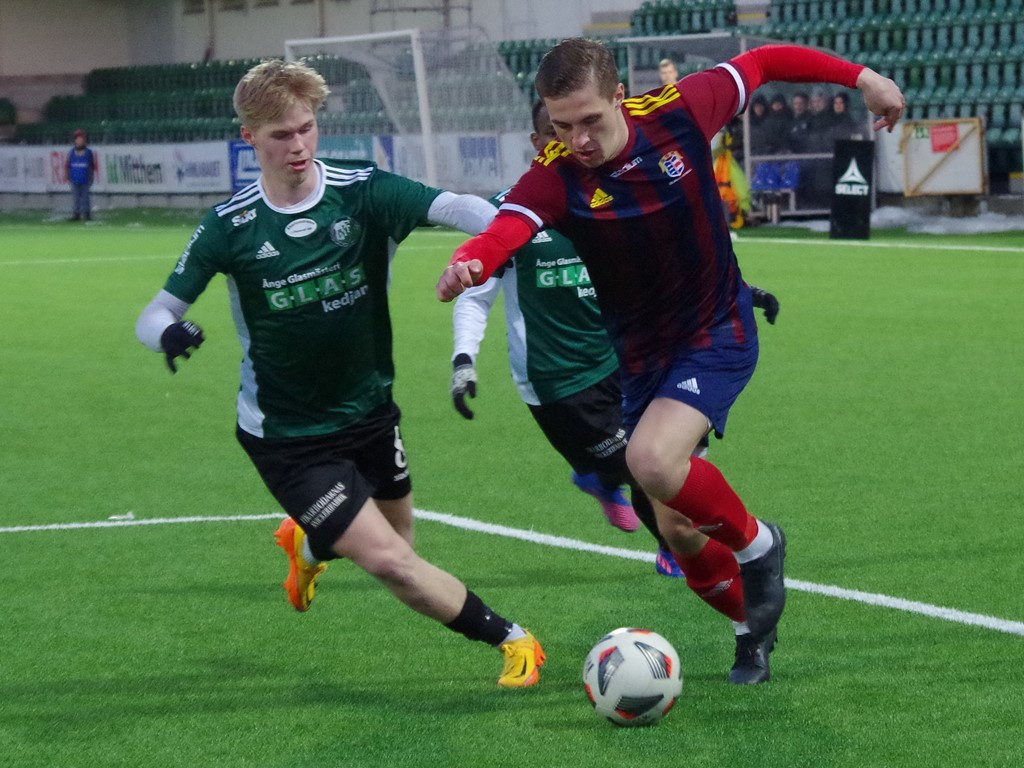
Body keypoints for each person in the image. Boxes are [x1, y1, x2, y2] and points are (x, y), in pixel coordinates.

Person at [436, 40, 904, 683]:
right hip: (642, 359)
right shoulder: (556, 175)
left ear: (618, 98)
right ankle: (750, 630)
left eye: (590, 120)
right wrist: (474, 263)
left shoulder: (680, 111)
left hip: (717, 328)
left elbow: (764, 61)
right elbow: (507, 228)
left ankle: (761, 546)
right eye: (562, 125)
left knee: (650, 460)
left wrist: (864, 74)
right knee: (679, 530)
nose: (577, 139)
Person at [135, 58, 544, 688]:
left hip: (371, 411)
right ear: (249, 137)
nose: (297, 146)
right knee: (392, 560)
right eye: (279, 135)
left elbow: (459, 207)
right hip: (289, 437)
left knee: (398, 534)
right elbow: (156, 311)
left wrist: (518, 231)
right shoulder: (230, 226)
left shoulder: (363, 191)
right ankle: (513, 639)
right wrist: (168, 331)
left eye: (305, 128)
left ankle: (306, 544)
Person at [451, 101, 782, 683]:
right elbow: (478, 284)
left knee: (676, 521)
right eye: (555, 133)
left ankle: (748, 630)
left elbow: (674, 268)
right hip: (567, 388)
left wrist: (742, 291)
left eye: (581, 129)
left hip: (643, 366)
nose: (566, 144)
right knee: (660, 502)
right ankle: (611, 485)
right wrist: (463, 357)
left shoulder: (621, 192)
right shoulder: (526, 207)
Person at [66, 129, 95, 221]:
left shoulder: (88, 152)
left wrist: (91, 177)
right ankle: (76, 214)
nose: (79, 141)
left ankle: (87, 214)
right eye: (77, 139)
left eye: (81, 139)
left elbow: (91, 166)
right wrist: (68, 176)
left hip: (85, 179)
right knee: (75, 198)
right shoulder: (71, 152)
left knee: (85, 198)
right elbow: (68, 165)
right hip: (74, 179)